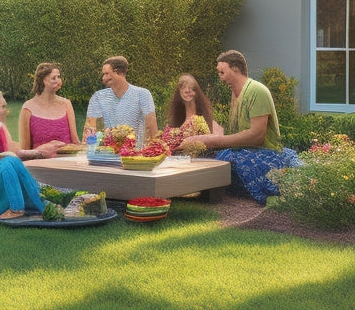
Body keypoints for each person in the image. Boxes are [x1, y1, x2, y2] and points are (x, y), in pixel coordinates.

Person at [180, 50, 300, 204]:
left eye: (222, 72)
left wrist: (214, 141)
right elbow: (236, 138)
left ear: (235, 69)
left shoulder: (257, 91)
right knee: (206, 158)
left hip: (266, 154)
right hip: (243, 151)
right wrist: (215, 135)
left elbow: (257, 136)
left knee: (224, 161)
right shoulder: (235, 95)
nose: (220, 78)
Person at [0, 90, 61, 219]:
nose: (7, 111)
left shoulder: (0, 127)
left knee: (10, 160)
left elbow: (15, 153)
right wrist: (4, 155)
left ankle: (42, 204)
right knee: (7, 161)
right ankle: (16, 209)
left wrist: (41, 152)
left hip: (4, 176)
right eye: (2, 107)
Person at [82, 56, 157, 148]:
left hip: (136, 153)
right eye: (103, 74)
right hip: (109, 153)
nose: (103, 78)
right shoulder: (98, 97)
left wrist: (153, 150)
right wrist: (88, 150)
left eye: (107, 74)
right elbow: (90, 128)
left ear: (120, 72)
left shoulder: (142, 94)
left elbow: (151, 125)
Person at [18, 63, 80, 151]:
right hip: (39, 162)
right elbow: (25, 150)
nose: (58, 81)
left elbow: (75, 141)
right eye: (54, 78)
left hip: (66, 160)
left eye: (59, 77)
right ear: (43, 80)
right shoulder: (27, 109)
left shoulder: (66, 104)